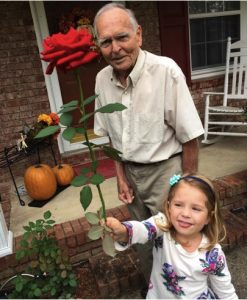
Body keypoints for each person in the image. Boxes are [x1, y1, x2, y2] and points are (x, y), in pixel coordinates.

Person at [93, 3, 204, 283]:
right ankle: (154, 287)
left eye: (122, 37)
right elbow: (111, 137)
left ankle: (186, 290)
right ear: (98, 45)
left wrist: (187, 185)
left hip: (166, 173)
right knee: (142, 239)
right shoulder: (101, 80)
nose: (115, 48)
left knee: (178, 239)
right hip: (131, 174)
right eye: (106, 41)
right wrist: (120, 177)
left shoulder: (165, 71)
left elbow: (190, 136)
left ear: (138, 35)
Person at [106, 174, 238, 299]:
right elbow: (143, 229)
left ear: (209, 217)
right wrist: (124, 231)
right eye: (178, 205)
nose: (185, 213)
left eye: (196, 209)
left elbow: (225, 291)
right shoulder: (163, 226)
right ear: (168, 206)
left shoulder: (213, 253)